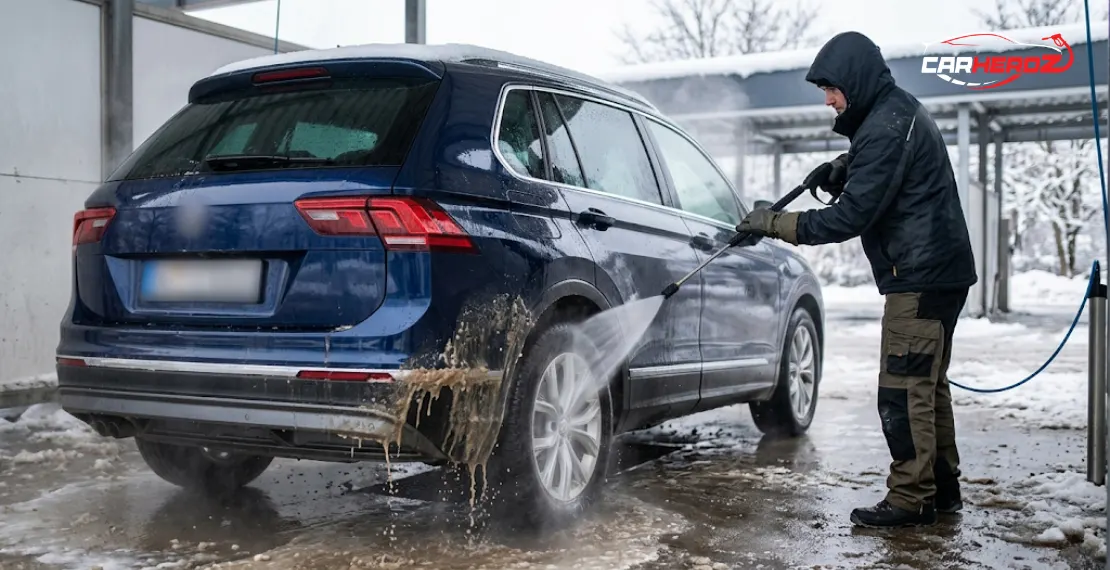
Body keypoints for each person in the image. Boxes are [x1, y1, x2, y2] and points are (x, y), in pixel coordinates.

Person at [736, 31, 978, 528]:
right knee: (927, 389)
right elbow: (886, 173)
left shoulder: (887, 127)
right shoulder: (893, 114)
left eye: (832, 88)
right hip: (939, 273)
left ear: (856, 80)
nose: (828, 100)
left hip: (919, 276)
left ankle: (911, 499)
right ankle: (941, 491)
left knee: (902, 389)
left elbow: (850, 217)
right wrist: (844, 166)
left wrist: (775, 224)